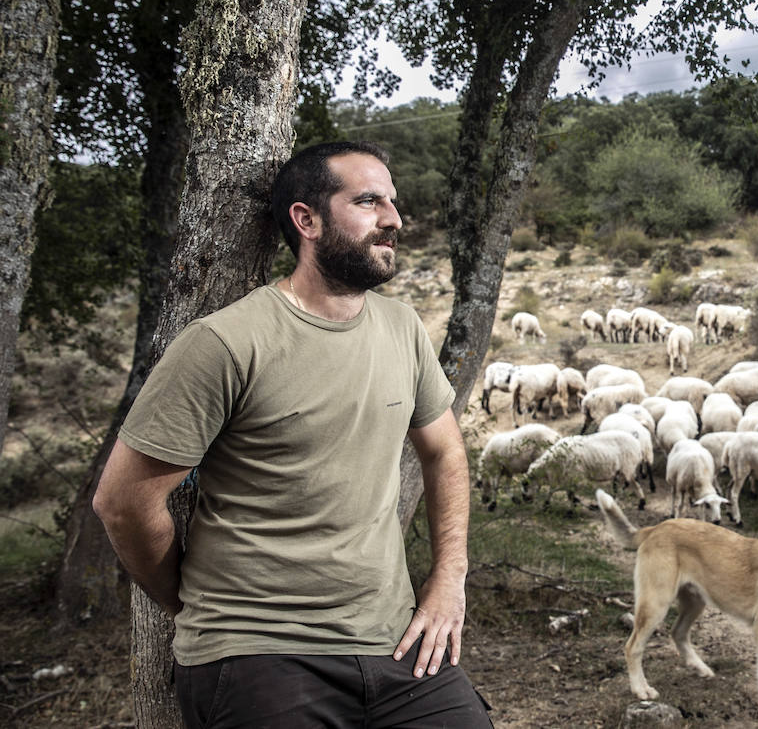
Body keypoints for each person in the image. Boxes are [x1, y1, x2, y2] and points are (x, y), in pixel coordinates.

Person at [94, 141, 492, 727]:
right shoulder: (227, 343)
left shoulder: (401, 327)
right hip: (260, 653)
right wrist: (187, 603)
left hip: (396, 642)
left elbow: (445, 451)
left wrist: (448, 578)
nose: (394, 219)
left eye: (393, 202)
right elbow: (124, 502)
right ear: (306, 220)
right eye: (368, 201)